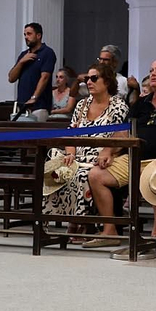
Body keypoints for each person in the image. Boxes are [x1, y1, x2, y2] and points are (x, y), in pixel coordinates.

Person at [87, 58, 156, 249]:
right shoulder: (141, 103)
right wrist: (108, 150)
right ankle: (110, 230)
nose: (153, 73)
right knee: (96, 174)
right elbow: (124, 133)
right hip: (134, 158)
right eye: (151, 70)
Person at [42, 64, 129, 224]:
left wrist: (108, 152)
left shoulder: (118, 105)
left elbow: (120, 135)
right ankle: (54, 220)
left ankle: (81, 223)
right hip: (78, 158)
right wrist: (70, 153)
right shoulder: (82, 105)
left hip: (101, 160)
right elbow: (71, 133)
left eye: (94, 78)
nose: (89, 82)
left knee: (81, 176)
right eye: (87, 78)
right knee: (54, 172)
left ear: (107, 82)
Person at [7, 23, 56, 117]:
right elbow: (11, 78)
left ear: (38, 35)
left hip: (39, 105)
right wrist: (21, 62)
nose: (26, 37)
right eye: (25, 34)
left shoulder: (47, 52)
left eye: (29, 34)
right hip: (22, 105)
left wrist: (34, 97)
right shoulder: (24, 55)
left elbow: (45, 77)